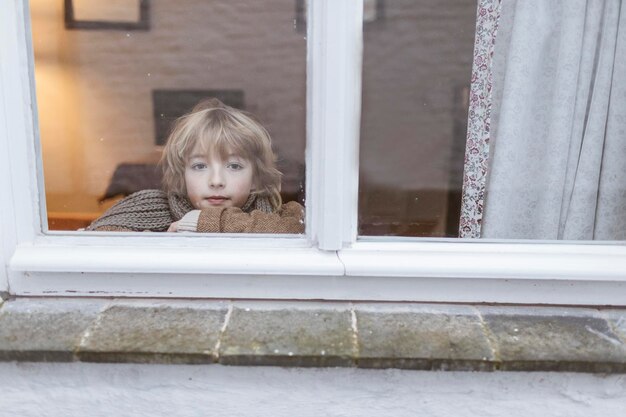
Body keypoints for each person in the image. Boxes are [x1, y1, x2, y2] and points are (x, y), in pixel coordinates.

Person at [86, 98, 304, 234]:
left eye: (234, 166)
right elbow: (92, 238)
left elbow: (296, 232)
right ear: (182, 173)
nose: (216, 181)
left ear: (256, 176)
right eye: (200, 166)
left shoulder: (282, 216)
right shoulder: (152, 206)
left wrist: (203, 221)